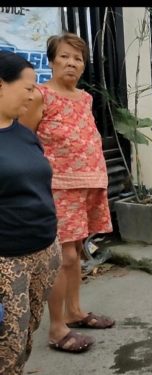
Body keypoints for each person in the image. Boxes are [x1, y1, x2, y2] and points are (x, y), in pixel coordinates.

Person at [20, 33, 114, 353]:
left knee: (75, 256)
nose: (72, 63)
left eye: (78, 59)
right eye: (64, 56)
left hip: (86, 184)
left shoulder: (85, 98)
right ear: (51, 61)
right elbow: (24, 141)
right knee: (63, 257)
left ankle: (75, 312)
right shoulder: (40, 96)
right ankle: (57, 329)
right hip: (56, 186)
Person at [0, 51, 62, 373]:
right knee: (5, 345)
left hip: (44, 250)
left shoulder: (24, 133)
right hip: (8, 262)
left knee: (25, 335)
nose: (34, 95)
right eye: (27, 87)